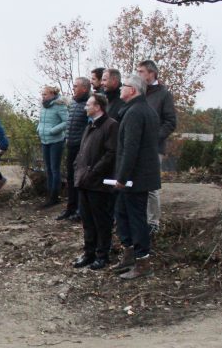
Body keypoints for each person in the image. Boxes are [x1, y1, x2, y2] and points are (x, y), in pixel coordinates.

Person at [112, 74, 162, 280]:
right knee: (122, 213)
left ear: (132, 90)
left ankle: (143, 262)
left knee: (136, 218)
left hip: (135, 178)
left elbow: (130, 148)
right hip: (139, 175)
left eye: (123, 86)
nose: (121, 89)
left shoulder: (135, 112)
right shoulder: (143, 110)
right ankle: (130, 254)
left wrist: (122, 178)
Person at [72, 93, 119, 269]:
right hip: (84, 180)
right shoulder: (89, 126)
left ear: (98, 107)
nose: (85, 107)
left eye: (88, 105)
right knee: (87, 220)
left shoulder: (111, 125)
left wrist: (94, 171)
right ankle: (89, 254)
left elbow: (111, 153)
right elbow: (82, 151)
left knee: (101, 221)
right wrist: (78, 167)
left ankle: (102, 255)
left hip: (99, 183)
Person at [137, 59, 177, 234]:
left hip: (154, 147)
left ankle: (153, 222)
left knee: (151, 186)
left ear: (151, 73)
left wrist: (154, 138)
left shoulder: (164, 94)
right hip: (136, 145)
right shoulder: (139, 93)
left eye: (141, 72)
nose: (138, 75)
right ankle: (139, 219)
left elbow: (170, 122)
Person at [57, 77, 90, 221]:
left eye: (76, 86)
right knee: (70, 178)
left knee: (80, 180)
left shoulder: (89, 104)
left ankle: (80, 210)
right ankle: (70, 208)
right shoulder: (74, 104)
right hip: (70, 145)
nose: (73, 88)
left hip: (80, 148)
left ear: (84, 88)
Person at [37, 85, 68, 208]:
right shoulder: (43, 106)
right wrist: (39, 129)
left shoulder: (60, 105)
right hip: (45, 140)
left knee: (55, 169)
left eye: (45, 94)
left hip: (56, 141)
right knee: (48, 168)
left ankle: (54, 196)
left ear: (52, 94)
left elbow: (66, 121)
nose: (42, 96)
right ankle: (49, 194)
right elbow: (41, 121)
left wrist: (53, 130)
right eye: (42, 94)